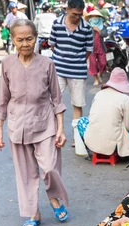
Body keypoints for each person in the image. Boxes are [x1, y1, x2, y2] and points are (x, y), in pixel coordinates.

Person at [0, 19, 69, 226]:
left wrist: (61, 128)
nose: (25, 43)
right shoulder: (7, 64)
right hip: (18, 126)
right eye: (20, 39)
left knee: (49, 167)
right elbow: (2, 99)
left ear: (36, 38)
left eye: (29, 38)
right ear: (13, 40)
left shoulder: (47, 64)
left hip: (45, 124)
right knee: (25, 173)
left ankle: (54, 199)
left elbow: (57, 99)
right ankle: (33, 212)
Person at [49, 0, 94, 146]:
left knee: (77, 104)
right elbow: (53, 45)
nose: (77, 17)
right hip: (58, 70)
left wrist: (77, 60)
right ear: (67, 10)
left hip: (77, 71)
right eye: (75, 14)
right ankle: (53, 134)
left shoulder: (87, 28)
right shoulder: (56, 23)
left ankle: (77, 137)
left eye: (80, 15)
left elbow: (88, 51)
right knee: (53, 102)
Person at [83, 68, 129, 157]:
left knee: (81, 121)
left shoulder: (99, 94)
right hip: (114, 145)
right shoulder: (125, 99)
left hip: (92, 142)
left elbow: (92, 118)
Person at [85, 10, 107, 86]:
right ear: (90, 18)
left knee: (103, 62)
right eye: (93, 16)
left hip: (101, 47)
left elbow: (105, 34)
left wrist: (98, 30)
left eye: (96, 16)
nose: (95, 18)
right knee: (93, 64)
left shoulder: (103, 26)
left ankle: (100, 74)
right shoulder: (88, 26)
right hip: (91, 48)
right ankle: (96, 79)